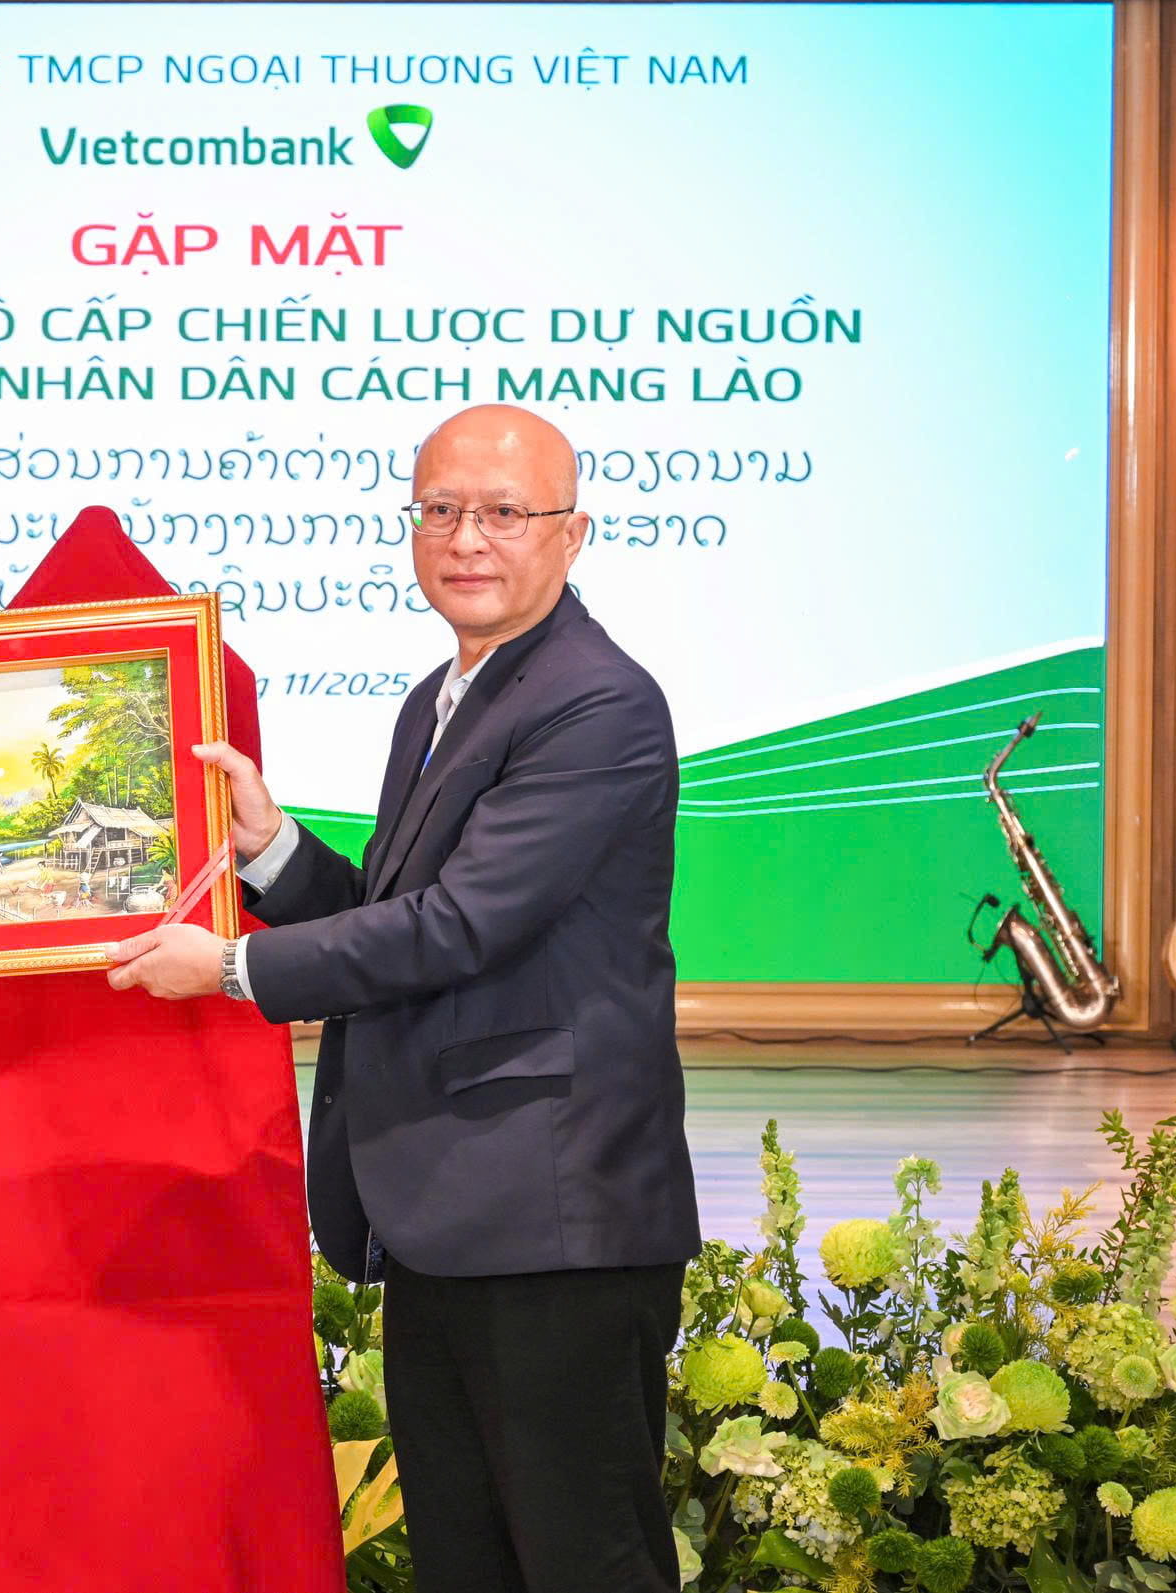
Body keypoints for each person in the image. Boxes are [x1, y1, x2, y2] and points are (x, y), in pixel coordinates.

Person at [108, 403, 700, 1591]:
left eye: (503, 512)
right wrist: (271, 850)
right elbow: (403, 909)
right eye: (439, 509)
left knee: (581, 1563)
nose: (465, 538)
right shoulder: (447, 690)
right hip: (454, 1210)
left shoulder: (596, 700)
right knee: (466, 1560)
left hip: (550, 1220)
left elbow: (461, 926)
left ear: (572, 533)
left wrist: (227, 969)